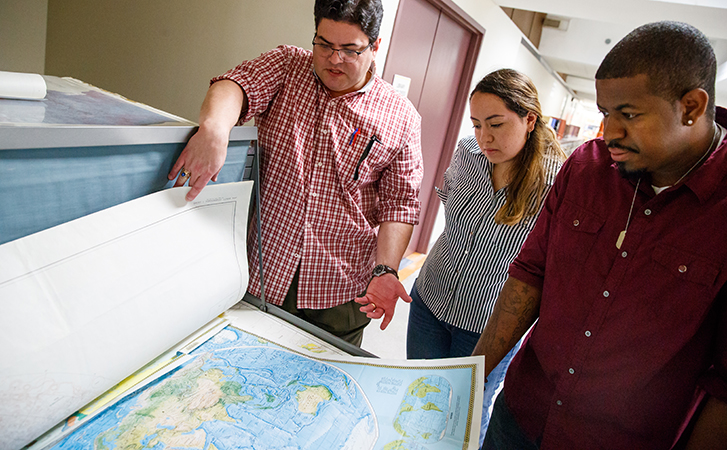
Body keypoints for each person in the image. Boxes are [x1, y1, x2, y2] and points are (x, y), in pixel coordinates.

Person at [474, 21, 727, 449]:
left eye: (628, 115)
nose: (610, 134)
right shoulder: (589, 168)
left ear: (691, 106)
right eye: (605, 114)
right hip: (522, 415)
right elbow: (530, 274)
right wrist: (468, 378)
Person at [168, 0, 423, 346]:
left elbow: (399, 205)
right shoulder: (288, 65)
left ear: (375, 46)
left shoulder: (401, 116)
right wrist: (213, 130)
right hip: (259, 269)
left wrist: (386, 269)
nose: (334, 59)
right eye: (324, 44)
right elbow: (234, 85)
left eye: (349, 49)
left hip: (339, 291)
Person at [406, 69, 565, 444]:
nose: (484, 137)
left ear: (529, 119)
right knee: (419, 400)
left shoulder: (555, 182)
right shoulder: (468, 152)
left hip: (486, 326)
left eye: (495, 124)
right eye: (476, 124)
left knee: (461, 417)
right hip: (430, 300)